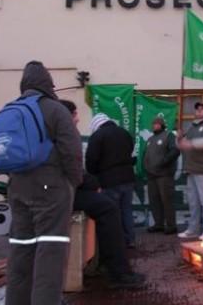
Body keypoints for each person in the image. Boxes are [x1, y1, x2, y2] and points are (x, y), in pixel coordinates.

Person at [5, 61, 83, 305]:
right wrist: (72, 182)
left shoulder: (11, 109)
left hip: (17, 188)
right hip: (50, 188)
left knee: (20, 252)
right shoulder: (55, 109)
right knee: (50, 254)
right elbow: (72, 151)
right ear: (48, 84)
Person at [60, 99, 145, 289]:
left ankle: (109, 265)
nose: (77, 118)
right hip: (64, 191)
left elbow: (89, 161)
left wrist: (93, 179)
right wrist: (90, 183)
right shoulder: (123, 133)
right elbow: (73, 171)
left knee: (111, 209)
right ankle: (117, 268)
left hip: (104, 181)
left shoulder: (94, 136)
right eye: (75, 114)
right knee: (116, 211)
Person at [85, 113, 137, 248]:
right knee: (126, 210)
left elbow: (91, 159)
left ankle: (116, 243)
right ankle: (130, 239)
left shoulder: (97, 136)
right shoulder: (125, 133)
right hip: (128, 178)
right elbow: (133, 155)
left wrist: (93, 176)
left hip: (108, 180)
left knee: (112, 212)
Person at [176, 102, 203, 241]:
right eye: (197, 108)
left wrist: (190, 143)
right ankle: (193, 229)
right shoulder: (191, 128)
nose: (199, 110)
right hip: (191, 169)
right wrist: (179, 139)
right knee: (193, 202)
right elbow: (182, 147)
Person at [143, 116, 180, 235]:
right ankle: (158, 224)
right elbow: (146, 154)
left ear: (162, 125)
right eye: (153, 123)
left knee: (167, 201)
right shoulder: (150, 139)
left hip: (164, 175)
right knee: (154, 200)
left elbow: (175, 151)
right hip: (151, 175)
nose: (155, 125)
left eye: (157, 123)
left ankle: (171, 225)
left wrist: (164, 162)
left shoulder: (168, 136)